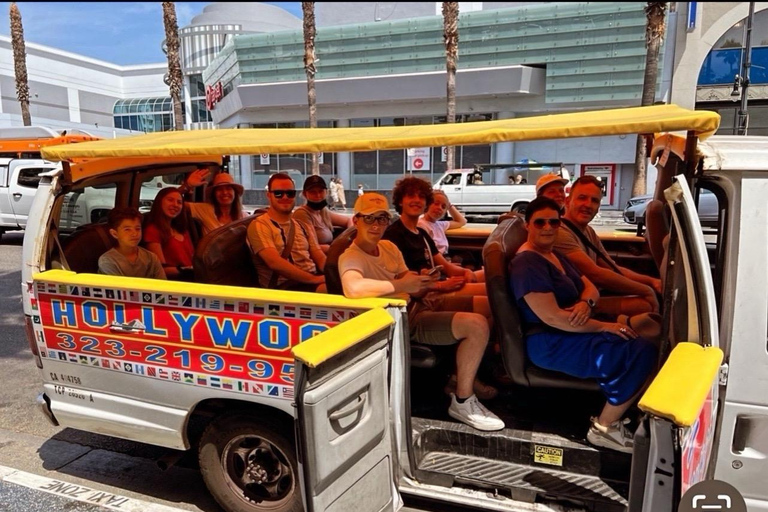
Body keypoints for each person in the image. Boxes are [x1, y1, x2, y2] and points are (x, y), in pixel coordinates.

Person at [339, 193, 504, 431]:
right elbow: (353, 287)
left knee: (490, 304)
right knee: (476, 325)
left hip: (418, 304)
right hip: (397, 321)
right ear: (356, 221)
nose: (376, 225)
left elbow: (407, 279)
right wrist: (404, 286)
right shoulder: (351, 256)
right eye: (369, 219)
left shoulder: (387, 246)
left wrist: (423, 283)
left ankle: (462, 375)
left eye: (382, 219)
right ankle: (462, 400)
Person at [509, 197, 657, 452]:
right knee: (645, 351)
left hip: (573, 328)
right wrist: (601, 326)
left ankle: (628, 405)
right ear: (527, 225)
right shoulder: (528, 263)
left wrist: (585, 304)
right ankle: (605, 427)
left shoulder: (552, 254)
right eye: (540, 222)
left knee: (651, 326)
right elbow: (553, 317)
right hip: (550, 341)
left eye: (553, 222)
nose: (547, 227)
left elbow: (589, 285)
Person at [554, 175, 662, 317]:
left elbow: (612, 268)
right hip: (575, 304)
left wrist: (652, 282)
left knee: (650, 299)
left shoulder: (588, 231)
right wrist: (646, 290)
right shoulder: (560, 233)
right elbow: (597, 274)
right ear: (568, 201)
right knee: (645, 304)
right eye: (582, 198)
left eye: (594, 200)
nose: (588, 204)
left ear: (598, 207)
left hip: (594, 295)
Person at [384, 177, 484, 292]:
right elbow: (399, 280)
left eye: (421, 197)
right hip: (422, 296)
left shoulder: (422, 234)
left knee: (491, 281)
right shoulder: (392, 236)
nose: (417, 200)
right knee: (489, 293)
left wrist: (467, 272)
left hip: (436, 286)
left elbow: (446, 266)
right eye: (411, 196)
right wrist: (441, 285)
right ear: (400, 201)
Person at [247, 172, 326, 291]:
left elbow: (319, 256)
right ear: (269, 195)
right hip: (284, 288)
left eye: (290, 193)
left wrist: (334, 273)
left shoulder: (302, 225)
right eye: (278, 193)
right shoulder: (260, 225)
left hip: (312, 279)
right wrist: (314, 280)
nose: (285, 197)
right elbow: (274, 262)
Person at [417, 190, 484, 282]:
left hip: (446, 259)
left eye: (443, 207)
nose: (439, 208)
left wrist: (450, 206)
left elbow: (462, 221)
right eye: (436, 203)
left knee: (470, 256)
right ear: (427, 204)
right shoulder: (421, 225)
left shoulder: (439, 224)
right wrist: (449, 266)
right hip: (439, 263)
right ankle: (468, 279)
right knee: (470, 263)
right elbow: (430, 254)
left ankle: (471, 277)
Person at [98, 207, 166, 279]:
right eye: (127, 230)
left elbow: (163, 285)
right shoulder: (108, 261)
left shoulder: (151, 258)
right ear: (114, 233)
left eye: (137, 229)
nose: (134, 234)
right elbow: (119, 288)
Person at [143, 187, 195, 280]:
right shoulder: (153, 230)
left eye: (179, 202)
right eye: (170, 200)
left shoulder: (182, 229)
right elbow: (160, 269)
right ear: (160, 202)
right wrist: (186, 270)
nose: (175, 205)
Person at [292, 175, 354, 253]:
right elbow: (312, 247)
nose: (318, 195)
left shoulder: (322, 212)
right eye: (312, 192)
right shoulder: (302, 213)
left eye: (321, 191)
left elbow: (350, 220)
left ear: (326, 192)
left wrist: (349, 238)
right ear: (305, 194)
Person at [180, 168, 247, 235]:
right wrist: (187, 185)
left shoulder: (244, 217)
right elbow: (173, 202)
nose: (224, 192)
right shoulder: (205, 209)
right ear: (214, 194)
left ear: (234, 192)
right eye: (219, 189)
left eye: (228, 188)